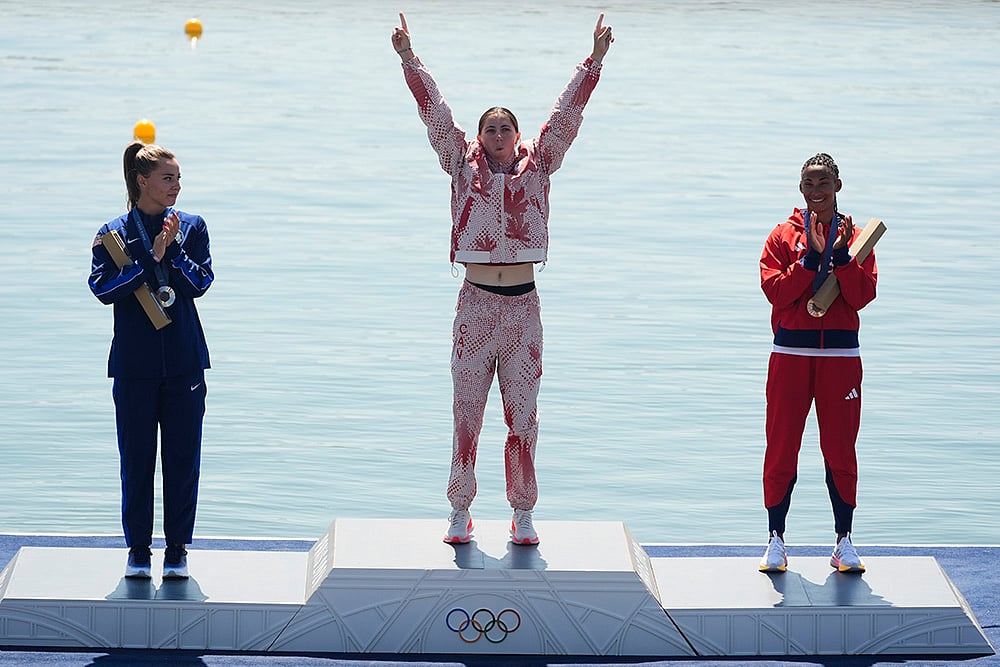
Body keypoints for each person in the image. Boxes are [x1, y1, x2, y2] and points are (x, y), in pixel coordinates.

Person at [391, 12, 613, 545]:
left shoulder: (539, 166)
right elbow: (435, 115)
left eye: (505, 129)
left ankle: (524, 512)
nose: (496, 135)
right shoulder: (460, 167)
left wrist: (595, 61)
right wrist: (407, 57)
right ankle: (459, 509)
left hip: (522, 308)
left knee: (523, 416)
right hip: (475, 307)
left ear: (517, 136)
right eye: (489, 128)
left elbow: (565, 118)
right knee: (467, 410)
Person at [89, 141, 214, 579]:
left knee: (183, 459)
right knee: (137, 459)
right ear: (142, 182)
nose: (176, 186)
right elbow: (103, 290)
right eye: (168, 178)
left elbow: (201, 283)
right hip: (134, 367)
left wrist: (171, 253)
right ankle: (138, 550)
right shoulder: (113, 234)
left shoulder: (192, 227)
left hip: (184, 364)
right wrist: (147, 258)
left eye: (178, 178)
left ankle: (177, 549)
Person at [758, 153, 878, 574]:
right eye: (809, 184)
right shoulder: (781, 236)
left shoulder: (859, 239)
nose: (816, 191)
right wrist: (809, 260)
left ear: (838, 187)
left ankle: (844, 541)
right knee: (781, 446)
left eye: (823, 182)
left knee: (841, 450)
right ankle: (775, 540)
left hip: (841, 359)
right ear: (801, 189)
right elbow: (775, 292)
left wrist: (842, 258)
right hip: (790, 355)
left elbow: (863, 296)